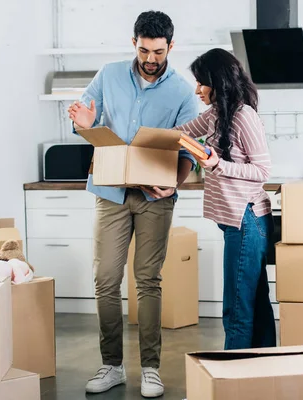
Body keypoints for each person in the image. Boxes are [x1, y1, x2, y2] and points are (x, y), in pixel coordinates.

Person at [67, 10, 198, 398]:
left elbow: (191, 147)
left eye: (158, 51)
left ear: (170, 46)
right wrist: (84, 123)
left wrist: (174, 183)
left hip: (154, 198)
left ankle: (151, 369)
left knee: (148, 281)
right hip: (110, 194)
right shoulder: (108, 75)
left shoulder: (182, 92)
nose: (150, 59)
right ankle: (111, 365)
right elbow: (84, 122)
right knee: (105, 279)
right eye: (144, 50)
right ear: (134, 43)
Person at [174, 49, 276, 350]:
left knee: (237, 307)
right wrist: (141, 139)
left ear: (218, 82)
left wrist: (218, 164)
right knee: (254, 301)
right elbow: (180, 133)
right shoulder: (217, 114)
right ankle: (260, 371)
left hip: (247, 220)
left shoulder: (245, 116)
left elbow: (263, 170)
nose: (197, 90)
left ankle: (229, 383)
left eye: (201, 83)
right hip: (235, 221)